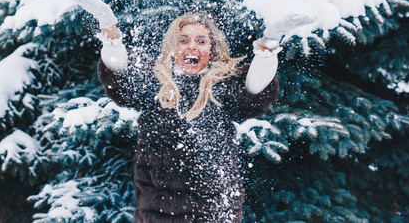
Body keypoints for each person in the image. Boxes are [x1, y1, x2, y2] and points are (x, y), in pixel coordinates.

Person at [97, 13, 281, 222]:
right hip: (159, 215)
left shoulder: (223, 88)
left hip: (216, 214)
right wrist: (111, 35)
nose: (191, 47)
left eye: (201, 41)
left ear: (211, 51)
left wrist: (267, 53)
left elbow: (256, 88)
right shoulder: (154, 86)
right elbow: (119, 76)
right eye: (183, 40)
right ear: (173, 49)